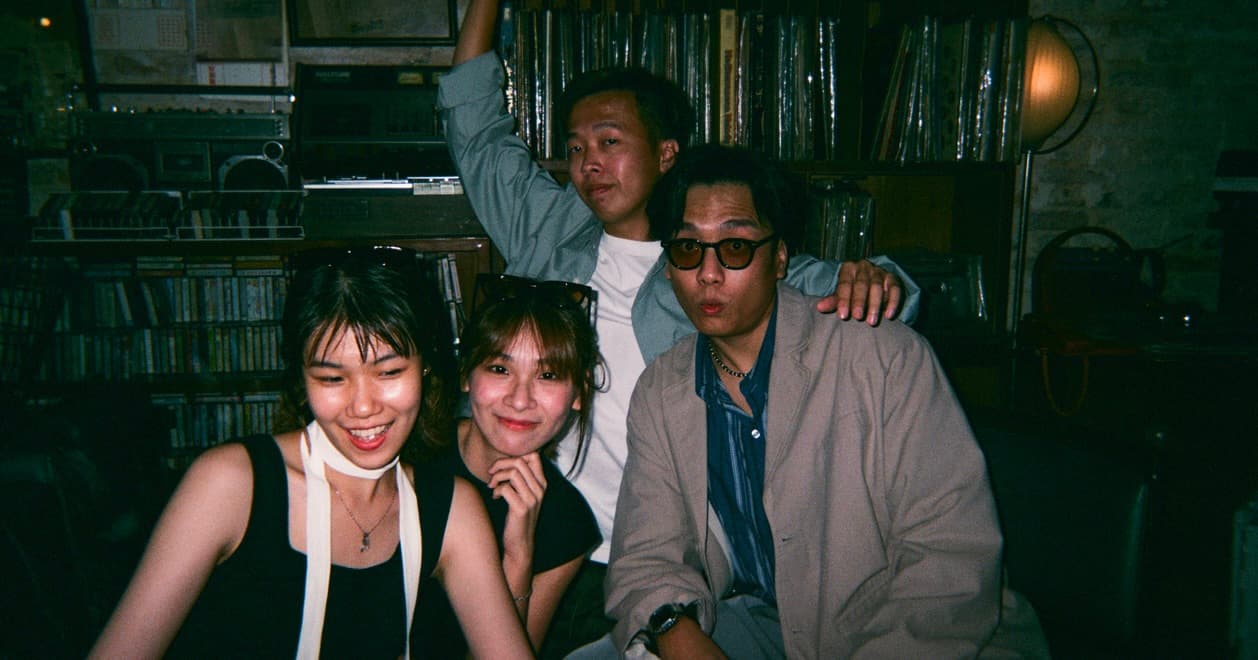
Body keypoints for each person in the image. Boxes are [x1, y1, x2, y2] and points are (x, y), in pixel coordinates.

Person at [438, 1, 922, 652]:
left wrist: (879, 279)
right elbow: (474, 125)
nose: (588, 163)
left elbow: (862, 290)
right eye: (576, 148)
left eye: (610, 142)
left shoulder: (711, 269)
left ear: (666, 153)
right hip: (541, 542)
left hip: (670, 567)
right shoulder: (545, 232)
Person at [601, 144, 1047, 658]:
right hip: (765, 623)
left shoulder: (881, 355)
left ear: (779, 258)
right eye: (687, 249)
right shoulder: (662, 390)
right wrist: (678, 634)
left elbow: (948, 559)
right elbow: (645, 558)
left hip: (914, 634)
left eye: (736, 247)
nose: (708, 273)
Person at [89, 246, 533, 659]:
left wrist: (518, 556)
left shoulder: (450, 509)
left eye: (389, 372)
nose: (363, 407)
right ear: (301, 379)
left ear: (426, 367)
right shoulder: (231, 485)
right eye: (332, 378)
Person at [413, 273, 603, 657]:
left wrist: (518, 557)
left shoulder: (566, 521)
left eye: (548, 375)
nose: (520, 399)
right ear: (466, 375)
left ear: (579, 393)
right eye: (500, 369)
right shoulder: (412, 455)